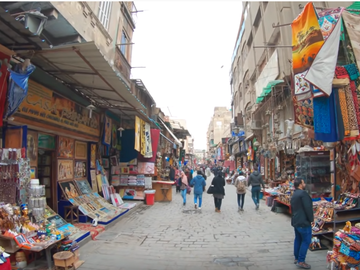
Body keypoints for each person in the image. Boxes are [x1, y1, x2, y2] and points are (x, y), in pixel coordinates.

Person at [291, 178, 313, 269]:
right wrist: (311, 219)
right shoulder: (303, 194)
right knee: (306, 240)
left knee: (298, 239)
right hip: (303, 221)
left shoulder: (295, 194)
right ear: (300, 184)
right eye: (303, 182)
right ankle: (301, 260)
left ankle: (296, 258)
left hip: (296, 220)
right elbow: (308, 208)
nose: (304, 184)